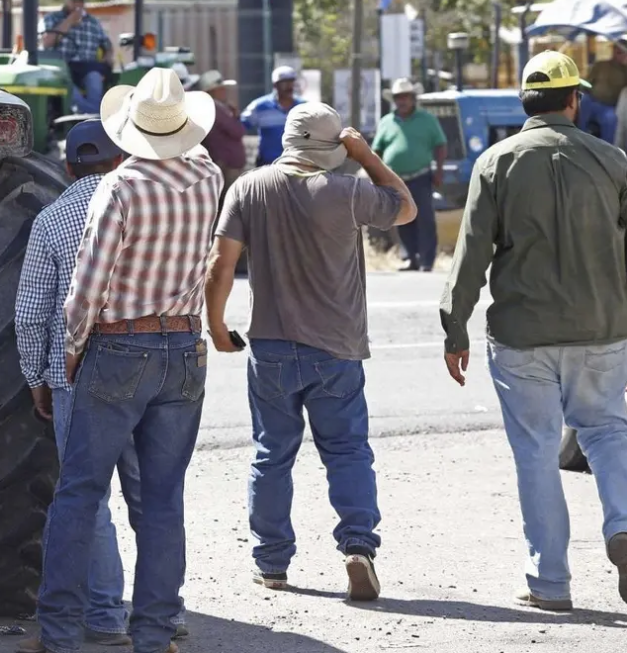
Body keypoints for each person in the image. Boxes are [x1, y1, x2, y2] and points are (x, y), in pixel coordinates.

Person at [33, 68, 221, 653]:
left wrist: (68, 354)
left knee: (79, 493)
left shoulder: (119, 188)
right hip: (185, 347)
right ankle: (154, 632)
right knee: (163, 500)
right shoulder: (210, 176)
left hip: (119, 345)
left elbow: (86, 291)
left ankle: (61, 633)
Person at [205, 102, 415, 603]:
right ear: (332, 148)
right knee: (346, 451)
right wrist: (366, 155)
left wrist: (215, 326)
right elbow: (404, 207)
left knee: (271, 455)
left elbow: (221, 263)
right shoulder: (348, 191)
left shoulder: (249, 188)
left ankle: (272, 563)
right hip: (336, 347)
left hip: (272, 347)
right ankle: (358, 546)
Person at [440, 50, 627, 612]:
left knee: (538, 451)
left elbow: (470, 255)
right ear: (573, 100)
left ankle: (550, 582)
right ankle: (623, 525)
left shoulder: (496, 163)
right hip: (602, 328)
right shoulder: (612, 161)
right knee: (607, 432)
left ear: (526, 103)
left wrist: (456, 328)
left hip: (522, 336)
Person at [15, 120, 191, 651]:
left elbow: (31, 312)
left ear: (66, 167)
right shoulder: (155, 202)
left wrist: (37, 377)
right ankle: (164, 616)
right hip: (159, 359)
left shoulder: (50, 219)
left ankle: (106, 615)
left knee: (86, 499)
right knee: (154, 496)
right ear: (121, 158)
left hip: (77, 371)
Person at [372, 78, 447, 272]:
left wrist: (439, 171)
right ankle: (410, 258)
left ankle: (427, 261)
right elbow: (377, 150)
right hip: (395, 179)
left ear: (413, 98)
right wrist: (377, 175)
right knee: (402, 218)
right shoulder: (386, 121)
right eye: (398, 97)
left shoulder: (427, 119)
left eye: (405, 96)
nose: (402, 101)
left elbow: (440, 145)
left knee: (425, 219)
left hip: (421, 176)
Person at [40, 0, 114, 115]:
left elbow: (106, 43)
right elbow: (46, 43)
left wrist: (108, 55)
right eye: (74, 1)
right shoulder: (51, 19)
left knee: (95, 78)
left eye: (81, 1)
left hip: (88, 67)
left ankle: (94, 116)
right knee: (69, 88)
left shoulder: (93, 22)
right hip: (62, 68)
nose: (78, 5)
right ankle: (90, 116)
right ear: (66, 0)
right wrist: (69, 21)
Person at [195, 70, 247, 202]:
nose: (224, 91)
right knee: (230, 203)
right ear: (212, 91)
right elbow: (237, 131)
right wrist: (235, 118)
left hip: (227, 164)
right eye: (220, 89)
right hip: (226, 165)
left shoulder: (221, 108)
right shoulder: (215, 109)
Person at [241, 66, 304, 167]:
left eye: (291, 82)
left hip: (297, 165)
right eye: (285, 83)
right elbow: (239, 127)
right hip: (268, 165)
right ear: (275, 85)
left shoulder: (304, 107)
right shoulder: (259, 106)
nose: (289, 86)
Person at [582, 42, 627, 143]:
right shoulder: (600, 65)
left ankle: (607, 151)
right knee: (583, 101)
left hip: (609, 106)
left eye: (621, 52)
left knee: (611, 119)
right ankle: (578, 140)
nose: (618, 54)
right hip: (592, 101)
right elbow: (587, 83)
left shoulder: (625, 70)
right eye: (616, 50)